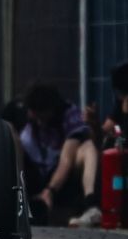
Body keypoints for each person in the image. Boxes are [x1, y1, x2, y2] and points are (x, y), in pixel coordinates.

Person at [21, 83, 101, 227]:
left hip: (61, 178)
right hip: (32, 172)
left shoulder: (69, 114)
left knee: (88, 147)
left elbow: (66, 160)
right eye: (36, 116)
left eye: (42, 116)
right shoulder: (24, 116)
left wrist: (49, 191)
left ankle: (91, 206)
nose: (40, 122)